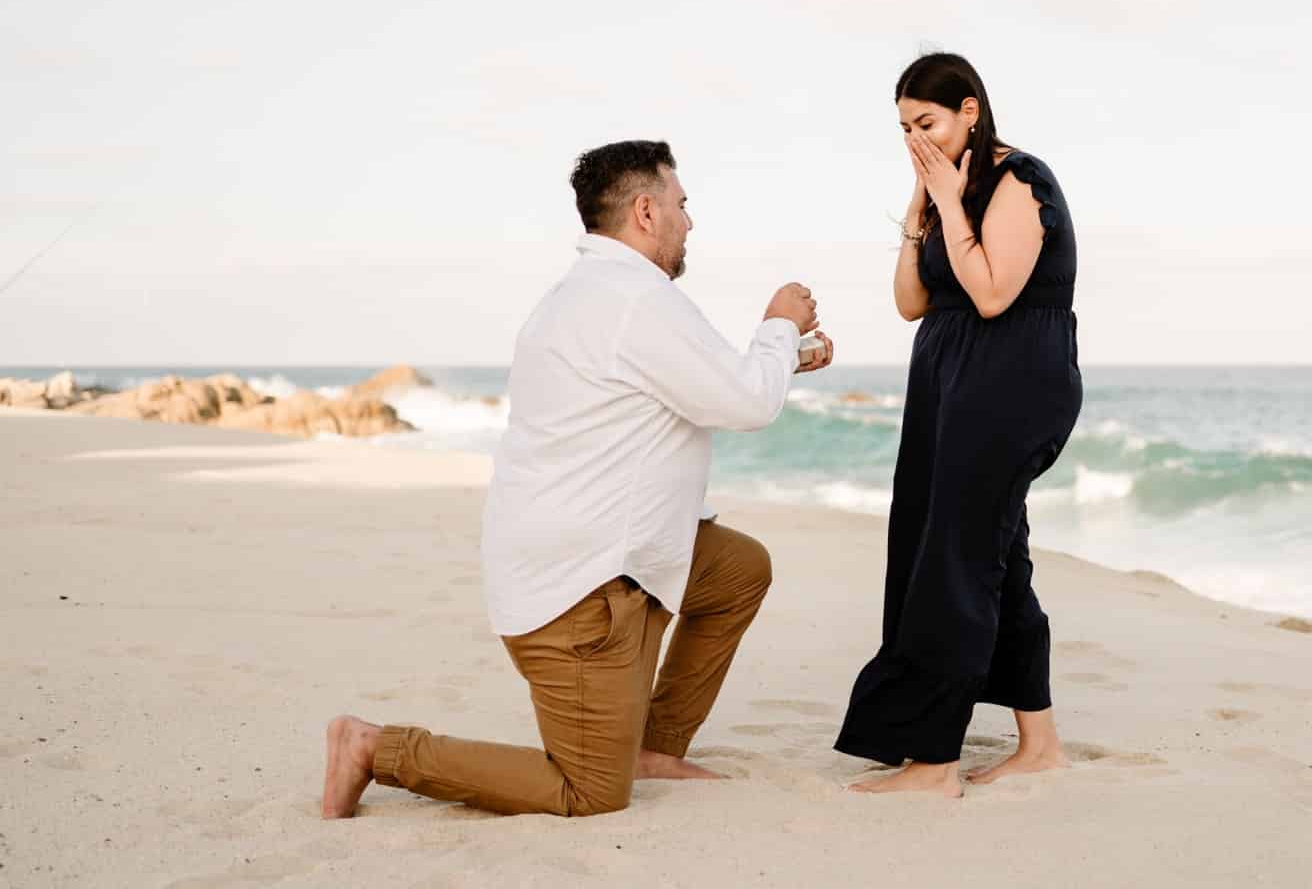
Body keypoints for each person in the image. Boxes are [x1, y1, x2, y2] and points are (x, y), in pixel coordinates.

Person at [321, 139, 834, 818]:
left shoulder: (594, 296)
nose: (690, 221)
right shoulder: (635, 302)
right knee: (590, 791)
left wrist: (783, 356)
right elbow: (745, 403)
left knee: (737, 569)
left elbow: (693, 386)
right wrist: (777, 323)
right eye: (682, 205)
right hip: (580, 592)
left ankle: (653, 743)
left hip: (590, 555)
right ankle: (372, 747)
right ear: (647, 212)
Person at [834, 53, 1082, 797]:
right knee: (981, 555)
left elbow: (995, 294)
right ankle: (1039, 744)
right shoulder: (944, 192)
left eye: (929, 122)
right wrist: (919, 214)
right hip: (950, 382)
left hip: (1010, 383)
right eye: (906, 127)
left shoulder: (1018, 181)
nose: (917, 138)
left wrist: (947, 201)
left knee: (957, 560)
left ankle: (935, 762)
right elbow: (912, 303)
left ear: (970, 111)